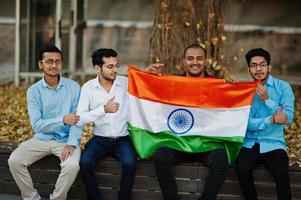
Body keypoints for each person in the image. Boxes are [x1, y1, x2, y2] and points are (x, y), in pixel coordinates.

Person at [152, 44, 230, 200]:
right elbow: (153, 103)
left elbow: (229, 112)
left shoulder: (217, 84)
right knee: (160, 155)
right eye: (190, 59)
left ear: (205, 61)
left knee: (221, 158)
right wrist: (146, 77)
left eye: (199, 58)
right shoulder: (173, 84)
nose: (195, 62)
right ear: (183, 62)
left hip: (206, 144)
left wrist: (233, 89)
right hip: (179, 143)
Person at [8, 45, 82, 200]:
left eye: (57, 61)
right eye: (49, 61)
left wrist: (71, 143)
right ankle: (32, 198)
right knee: (14, 160)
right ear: (40, 64)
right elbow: (37, 124)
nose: (54, 65)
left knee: (72, 165)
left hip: (65, 140)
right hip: (41, 139)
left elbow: (77, 121)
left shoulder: (74, 87)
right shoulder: (33, 91)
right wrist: (63, 119)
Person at [77, 48, 137, 200]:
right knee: (85, 162)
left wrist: (147, 74)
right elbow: (81, 117)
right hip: (99, 138)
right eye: (110, 67)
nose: (115, 70)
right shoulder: (88, 87)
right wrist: (103, 109)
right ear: (98, 68)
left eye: (116, 65)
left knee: (130, 163)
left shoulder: (125, 82)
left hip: (122, 138)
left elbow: (143, 84)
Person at [236, 48, 295, 200]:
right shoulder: (245, 90)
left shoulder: (283, 87)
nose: (258, 69)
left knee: (281, 173)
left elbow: (287, 118)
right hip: (250, 143)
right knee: (242, 169)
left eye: (262, 65)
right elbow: (245, 123)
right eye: (254, 65)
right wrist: (271, 119)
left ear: (269, 67)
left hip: (273, 143)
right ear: (249, 68)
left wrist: (267, 100)